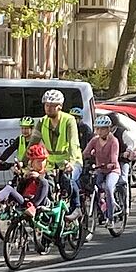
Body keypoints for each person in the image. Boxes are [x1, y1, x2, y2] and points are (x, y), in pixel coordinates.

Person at [29, 89, 83, 221]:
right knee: (44, 183)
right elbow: (32, 144)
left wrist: (71, 162)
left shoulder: (69, 120)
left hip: (70, 160)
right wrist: (23, 162)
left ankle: (77, 207)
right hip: (51, 162)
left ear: (60, 107)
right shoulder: (42, 122)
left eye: (52, 106)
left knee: (67, 178)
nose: (48, 108)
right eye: (46, 105)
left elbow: (73, 143)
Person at [0, 144, 50, 218]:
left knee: (44, 182)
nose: (41, 164)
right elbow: (20, 189)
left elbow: (49, 188)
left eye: (43, 161)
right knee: (9, 188)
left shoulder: (48, 174)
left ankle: (33, 208)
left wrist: (39, 178)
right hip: (25, 201)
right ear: (31, 162)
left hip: (39, 202)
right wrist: (24, 178)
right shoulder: (29, 173)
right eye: (38, 161)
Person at [82, 115, 120, 224]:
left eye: (102, 128)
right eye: (97, 128)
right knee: (94, 186)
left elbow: (114, 157)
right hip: (100, 169)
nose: (99, 131)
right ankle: (101, 207)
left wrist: (111, 164)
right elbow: (86, 152)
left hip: (113, 170)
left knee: (108, 187)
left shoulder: (114, 141)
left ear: (108, 129)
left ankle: (111, 218)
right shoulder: (95, 140)